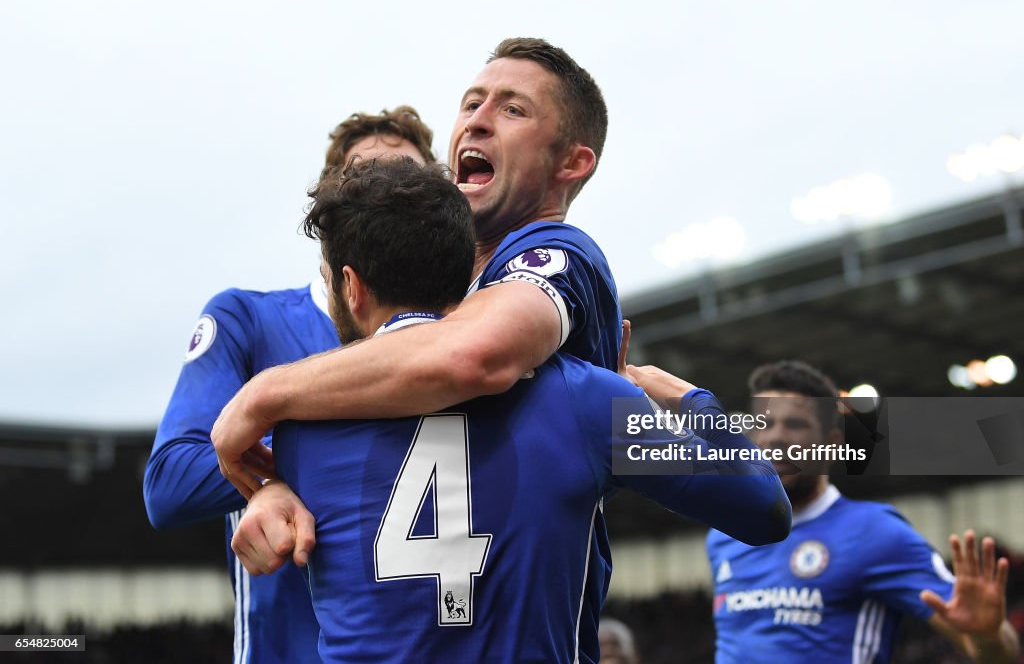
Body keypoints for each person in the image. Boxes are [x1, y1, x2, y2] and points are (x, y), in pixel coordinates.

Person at [263, 155, 789, 663]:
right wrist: (686, 397)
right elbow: (762, 506)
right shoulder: (588, 398)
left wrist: (269, 487)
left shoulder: (299, 433)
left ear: (351, 288)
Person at [215, 37, 625, 661]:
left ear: (572, 162)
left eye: (513, 110)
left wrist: (264, 397)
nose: (478, 119)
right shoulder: (452, 293)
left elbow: (475, 357)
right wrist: (273, 485)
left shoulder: (554, 257)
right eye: (471, 102)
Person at [142, 107, 436, 664]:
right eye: (368, 179)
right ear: (331, 210)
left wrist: (645, 409)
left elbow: (640, 454)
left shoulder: (474, 340)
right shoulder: (246, 320)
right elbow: (169, 483)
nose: (390, 197)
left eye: (409, 182)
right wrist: (274, 476)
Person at [627, 359, 1020, 663]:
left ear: (830, 441)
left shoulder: (875, 532)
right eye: (765, 423)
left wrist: (988, 637)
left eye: (796, 424)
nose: (777, 436)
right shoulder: (726, 535)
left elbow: (987, 648)